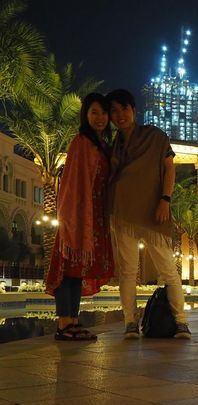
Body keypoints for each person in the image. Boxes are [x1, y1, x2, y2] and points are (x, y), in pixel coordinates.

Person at [106, 89, 190, 339]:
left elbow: (169, 168)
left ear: (134, 110)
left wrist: (165, 199)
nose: (120, 115)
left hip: (154, 212)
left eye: (124, 109)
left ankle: (181, 322)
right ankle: (130, 322)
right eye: (114, 111)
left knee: (168, 269)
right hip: (123, 213)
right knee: (128, 271)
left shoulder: (154, 136)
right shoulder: (114, 145)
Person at [45, 93, 115, 340]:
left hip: (93, 217)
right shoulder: (81, 142)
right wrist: (72, 218)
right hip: (77, 216)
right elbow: (73, 183)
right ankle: (64, 324)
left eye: (104, 113)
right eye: (94, 112)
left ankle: (72, 321)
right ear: (85, 114)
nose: (100, 118)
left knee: (76, 271)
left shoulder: (101, 145)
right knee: (67, 270)